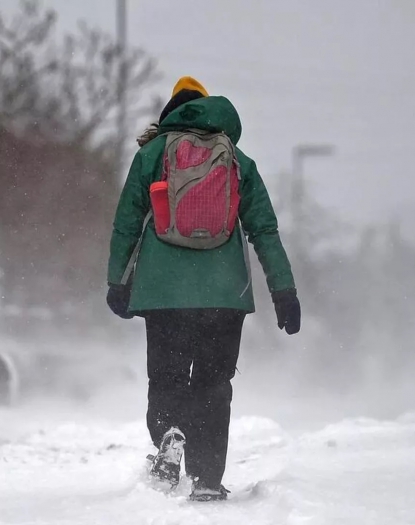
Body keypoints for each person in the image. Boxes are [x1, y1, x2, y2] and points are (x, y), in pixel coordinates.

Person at [106, 76, 301, 502]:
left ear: (172, 112)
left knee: (167, 377)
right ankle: (208, 479)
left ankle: (170, 435)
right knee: (213, 383)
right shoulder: (238, 160)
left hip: (163, 293)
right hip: (224, 295)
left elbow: (126, 223)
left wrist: (117, 280)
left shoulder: (152, 154)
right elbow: (264, 231)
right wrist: (284, 291)